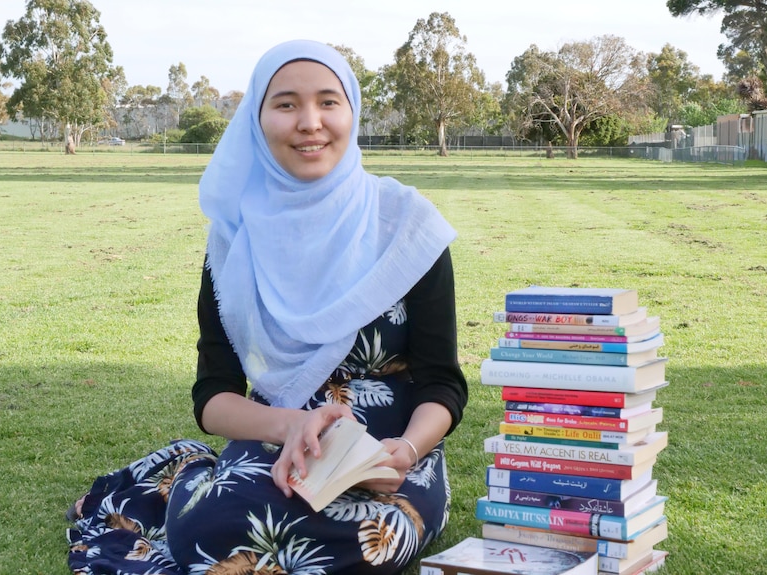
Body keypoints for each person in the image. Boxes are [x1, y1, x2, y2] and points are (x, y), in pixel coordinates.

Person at [66, 39, 468, 575]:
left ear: (352, 111)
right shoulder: (236, 240)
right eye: (285, 104)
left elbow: (443, 383)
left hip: (391, 458)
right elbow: (214, 396)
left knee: (368, 539)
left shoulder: (407, 228)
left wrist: (406, 451)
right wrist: (287, 427)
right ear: (257, 121)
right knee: (215, 523)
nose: (309, 122)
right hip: (278, 441)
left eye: (329, 101)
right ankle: (194, 487)